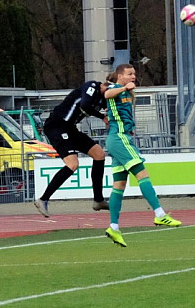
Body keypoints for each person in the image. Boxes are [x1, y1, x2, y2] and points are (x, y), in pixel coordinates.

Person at [102, 64, 182, 248]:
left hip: (120, 139)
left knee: (119, 185)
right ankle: (160, 214)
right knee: (142, 174)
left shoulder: (126, 93)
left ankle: (114, 227)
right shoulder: (114, 88)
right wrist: (124, 88)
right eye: (129, 74)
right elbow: (106, 94)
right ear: (120, 76)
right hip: (119, 138)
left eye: (134, 74)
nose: (133, 76)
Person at [33, 80, 110, 217]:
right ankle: (43, 199)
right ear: (107, 85)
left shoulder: (103, 99)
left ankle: (98, 200)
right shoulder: (92, 86)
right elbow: (85, 105)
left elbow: (112, 111)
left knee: (99, 154)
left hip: (70, 128)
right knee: (73, 164)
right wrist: (101, 117)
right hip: (57, 126)